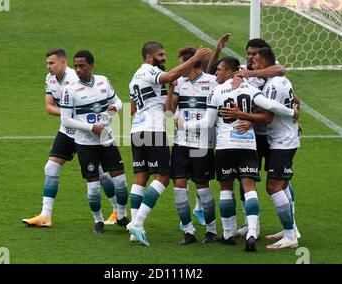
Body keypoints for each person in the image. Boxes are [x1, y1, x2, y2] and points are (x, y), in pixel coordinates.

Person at [180, 56, 298, 252]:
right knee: (249, 187)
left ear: (229, 71)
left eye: (219, 70)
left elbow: (207, 123)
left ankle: (227, 233)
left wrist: (184, 125)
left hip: (226, 146)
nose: (216, 73)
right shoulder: (251, 89)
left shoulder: (216, 92)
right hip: (247, 145)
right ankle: (252, 231)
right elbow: (271, 107)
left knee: (226, 188)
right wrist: (291, 113)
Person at [22, 48, 119, 227]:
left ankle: (117, 211)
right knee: (51, 167)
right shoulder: (50, 79)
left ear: (63, 62)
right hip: (67, 130)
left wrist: (75, 117)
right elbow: (49, 108)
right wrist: (67, 114)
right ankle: (45, 215)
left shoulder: (76, 79)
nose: (48, 67)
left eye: (51, 63)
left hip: (85, 133)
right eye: (47, 64)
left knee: (99, 174)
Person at [127, 41, 212, 246]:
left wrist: (170, 91)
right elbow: (168, 76)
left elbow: (134, 109)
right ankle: (137, 223)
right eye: (160, 55)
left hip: (137, 129)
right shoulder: (149, 71)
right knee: (163, 177)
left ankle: (134, 228)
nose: (164, 58)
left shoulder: (134, 79)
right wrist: (193, 59)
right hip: (153, 130)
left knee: (140, 178)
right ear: (149, 57)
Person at [221, 49, 300, 249]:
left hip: (282, 140)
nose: (251, 66)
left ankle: (291, 235)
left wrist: (244, 116)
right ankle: (290, 229)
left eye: (254, 62)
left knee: (274, 186)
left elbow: (269, 115)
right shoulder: (282, 81)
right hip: (282, 138)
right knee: (278, 184)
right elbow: (293, 102)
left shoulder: (273, 85)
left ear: (263, 64)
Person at [59, 50, 129, 234]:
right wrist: (92, 128)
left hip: (106, 140)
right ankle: (98, 220)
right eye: (76, 66)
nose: (78, 69)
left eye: (82, 65)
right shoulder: (70, 90)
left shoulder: (103, 81)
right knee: (94, 188)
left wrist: (114, 108)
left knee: (121, 182)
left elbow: (119, 102)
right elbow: (66, 120)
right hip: (85, 143)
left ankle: (121, 216)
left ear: (91, 65)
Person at [165, 47, 219, 245]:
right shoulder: (180, 83)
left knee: (202, 188)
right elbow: (169, 113)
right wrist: (170, 90)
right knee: (179, 186)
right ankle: (188, 231)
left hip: (203, 143)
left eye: (181, 63)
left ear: (191, 63)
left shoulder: (212, 82)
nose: (179, 67)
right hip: (181, 142)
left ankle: (211, 231)